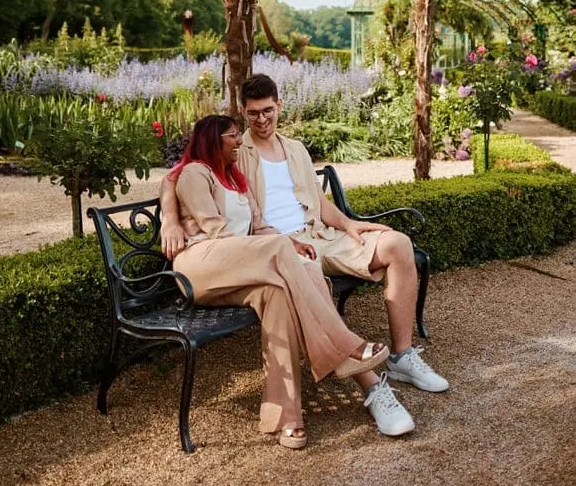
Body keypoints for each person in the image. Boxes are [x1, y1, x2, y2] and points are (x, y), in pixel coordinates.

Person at [161, 74, 450, 437]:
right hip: (273, 248)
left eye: (268, 111)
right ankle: (369, 382)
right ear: (243, 114)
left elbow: (317, 200)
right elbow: (179, 174)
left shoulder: (295, 148)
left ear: (279, 105)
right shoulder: (235, 153)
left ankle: (402, 356)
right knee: (300, 268)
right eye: (252, 115)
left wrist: (348, 225)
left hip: (312, 237)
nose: (261, 120)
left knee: (398, 244)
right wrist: (169, 220)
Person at [170, 114, 390, 448]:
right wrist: (277, 246)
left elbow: (259, 228)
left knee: (290, 283)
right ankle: (346, 346)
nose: (240, 142)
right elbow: (215, 230)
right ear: (213, 140)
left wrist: (291, 245)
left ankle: (286, 417)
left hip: (241, 266)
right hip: (200, 267)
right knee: (280, 249)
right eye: (233, 136)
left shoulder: (236, 179)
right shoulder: (194, 173)